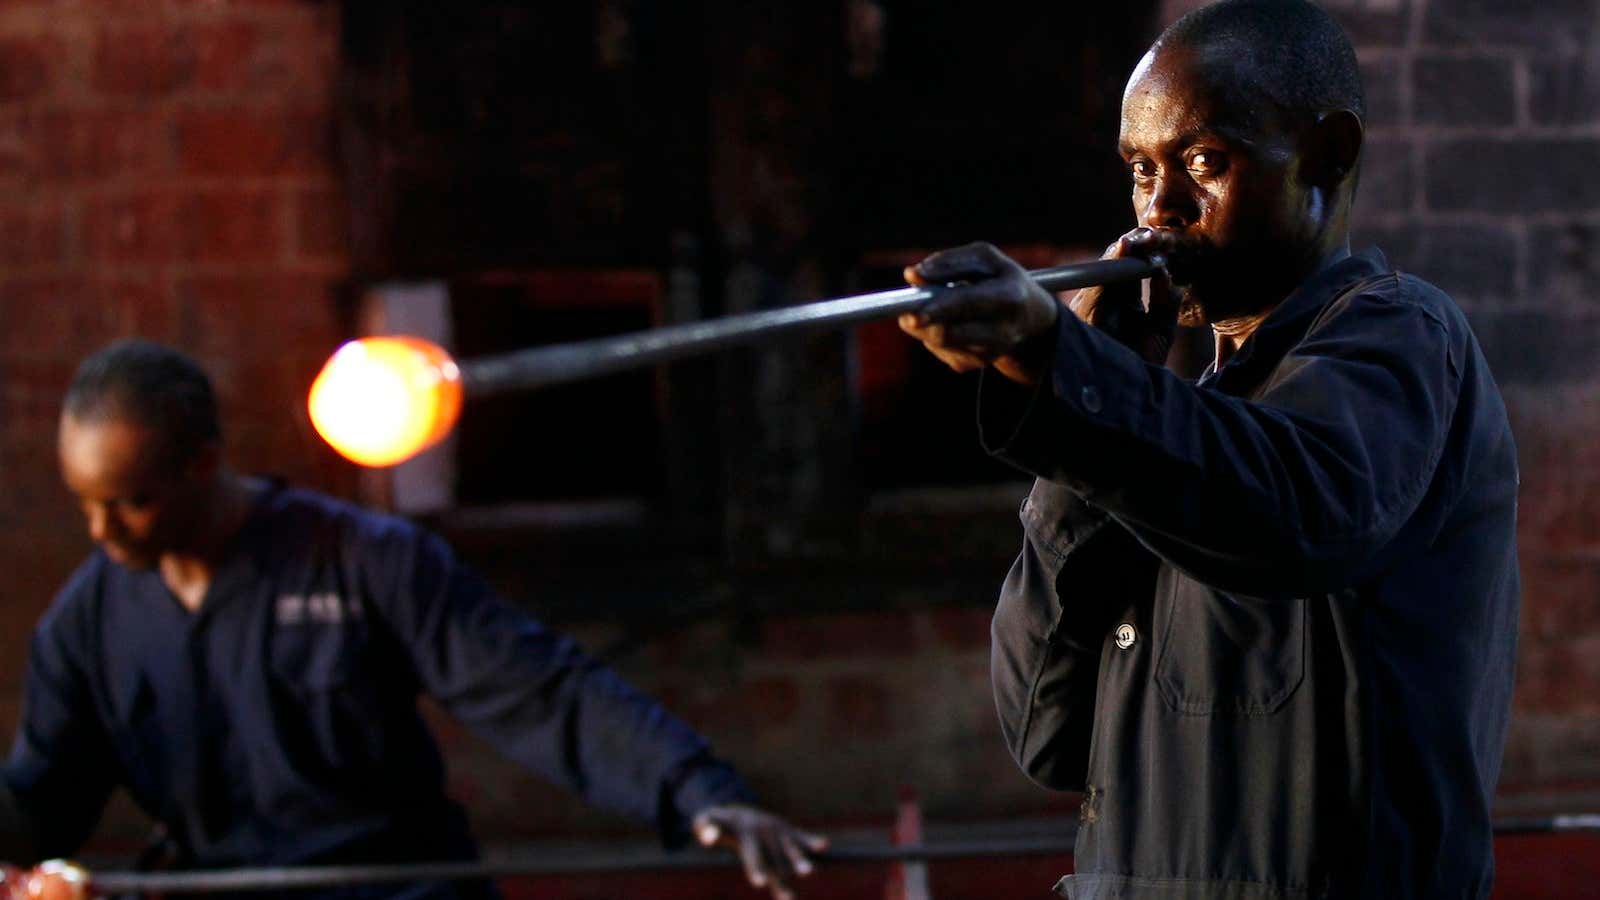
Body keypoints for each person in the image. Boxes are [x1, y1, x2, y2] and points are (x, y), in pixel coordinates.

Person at [897, 1, 1518, 898]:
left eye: (1202, 162)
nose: (1160, 211)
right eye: (1140, 171)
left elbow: (1293, 506)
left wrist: (1067, 370)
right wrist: (1085, 401)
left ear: (1329, 154)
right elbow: (1044, 728)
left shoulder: (1402, 336)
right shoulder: (1172, 436)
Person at [0, 339, 825, 900]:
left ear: (203, 463)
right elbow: (42, 806)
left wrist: (697, 793)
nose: (102, 532)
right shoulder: (87, 625)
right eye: (88, 505)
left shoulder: (364, 563)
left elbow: (542, 694)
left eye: (132, 503)